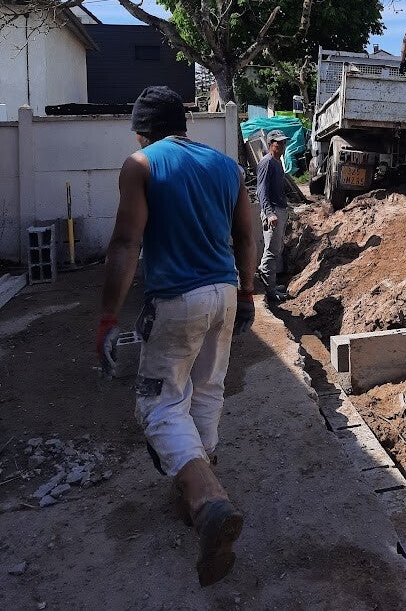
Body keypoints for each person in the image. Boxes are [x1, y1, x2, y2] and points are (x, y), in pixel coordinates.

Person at [96, 85, 257, 588]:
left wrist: (106, 317)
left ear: (142, 131)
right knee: (205, 392)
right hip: (225, 294)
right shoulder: (226, 166)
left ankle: (208, 500)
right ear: (183, 125)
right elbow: (247, 235)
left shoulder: (141, 164)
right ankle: (192, 494)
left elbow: (126, 242)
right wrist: (247, 292)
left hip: (176, 299)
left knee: (159, 404)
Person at [256, 130, 290, 301]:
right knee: (271, 251)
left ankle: (271, 284)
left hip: (279, 209)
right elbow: (261, 191)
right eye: (279, 143)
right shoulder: (267, 162)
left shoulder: (277, 162)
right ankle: (269, 291)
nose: (282, 146)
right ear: (270, 144)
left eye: (283, 143)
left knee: (276, 250)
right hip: (273, 211)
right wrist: (270, 213)